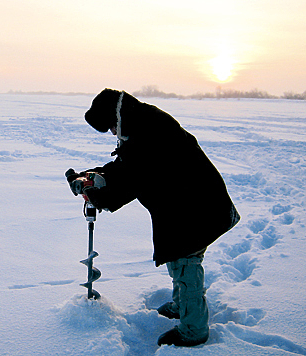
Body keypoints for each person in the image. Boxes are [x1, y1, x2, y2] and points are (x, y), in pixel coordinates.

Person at [65, 88, 240, 347]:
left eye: (111, 128)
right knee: (179, 258)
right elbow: (127, 166)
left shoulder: (147, 131)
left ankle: (194, 330)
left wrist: (101, 196)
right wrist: (93, 176)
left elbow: (133, 176)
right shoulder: (140, 122)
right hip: (185, 202)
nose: (113, 133)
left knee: (186, 262)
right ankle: (183, 305)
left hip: (196, 206)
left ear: (115, 116)